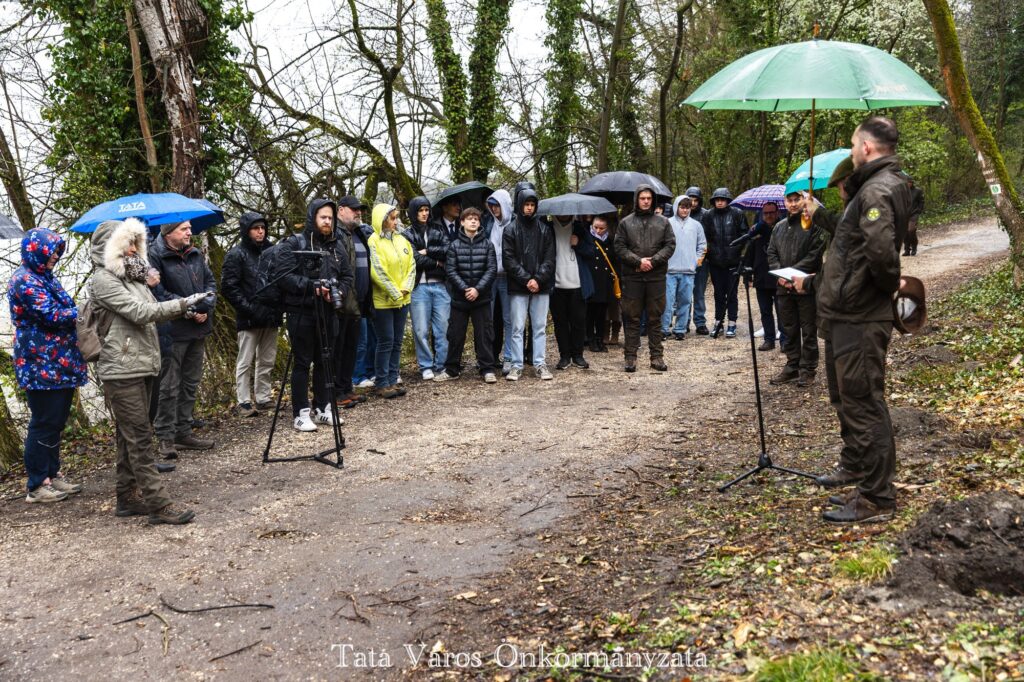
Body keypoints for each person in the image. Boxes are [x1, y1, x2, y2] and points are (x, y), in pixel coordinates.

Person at [795, 116, 912, 524]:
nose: (850, 151)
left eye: (851, 145)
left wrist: (881, 289)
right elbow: (855, 247)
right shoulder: (878, 186)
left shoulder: (877, 189)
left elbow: (881, 255)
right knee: (852, 400)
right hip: (850, 313)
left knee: (864, 403)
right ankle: (862, 475)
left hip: (860, 315)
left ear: (865, 147)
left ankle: (877, 498)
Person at [90, 218, 206, 524]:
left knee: (127, 434)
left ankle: (127, 498)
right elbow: (141, 313)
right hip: (121, 370)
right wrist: (183, 304)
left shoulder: (134, 277)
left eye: (135, 243)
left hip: (141, 363)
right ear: (110, 246)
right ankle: (158, 504)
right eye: (127, 243)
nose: (133, 249)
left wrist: (167, 293)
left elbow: (151, 309)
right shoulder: (103, 280)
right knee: (140, 436)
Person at [7, 228, 88, 503]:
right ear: (36, 250)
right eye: (51, 251)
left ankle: (52, 474)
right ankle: (37, 484)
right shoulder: (24, 280)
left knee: (56, 421)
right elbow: (51, 315)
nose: (55, 256)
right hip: (39, 362)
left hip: (58, 361)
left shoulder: (45, 277)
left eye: (57, 251)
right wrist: (86, 310)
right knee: (44, 421)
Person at [277, 198, 354, 431]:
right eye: (323, 217)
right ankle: (300, 413)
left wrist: (339, 292)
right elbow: (284, 277)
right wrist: (313, 287)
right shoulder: (295, 243)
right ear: (313, 217)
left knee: (325, 361)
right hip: (301, 311)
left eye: (330, 217)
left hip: (329, 312)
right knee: (302, 362)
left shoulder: (337, 246)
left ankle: (323, 408)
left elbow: (347, 276)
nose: (327, 221)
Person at [148, 220, 216, 459]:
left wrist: (206, 306)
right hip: (172, 331)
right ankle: (165, 436)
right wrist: (189, 309)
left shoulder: (194, 252)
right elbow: (158, 294)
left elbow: (210, 283)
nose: (189, 232)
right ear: (168, 233)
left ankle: (183, 432)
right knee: (168, 386)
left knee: (190, 383)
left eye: (189, 228)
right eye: (184, 229)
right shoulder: (154, 256)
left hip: (198, 328)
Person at [221, 212, 282, 417]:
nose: (260, 231)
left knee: (267, 360)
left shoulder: (273, 251)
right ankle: (244, 401)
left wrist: (277, 307)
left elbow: (280, 280)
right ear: (247, 231)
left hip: (271, 314)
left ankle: (263, 397)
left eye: (263, 228)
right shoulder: (236, 254)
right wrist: (249, 308)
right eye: (256, 228)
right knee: (245, 361)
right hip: (248, 317)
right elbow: (229, 287)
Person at [767, 193, 828, 387]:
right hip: (783, 287)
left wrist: (793, 275)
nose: (793, 204)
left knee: (808, 329)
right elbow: (771, 252)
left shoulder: (815, 225)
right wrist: (780, 275)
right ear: (784, 202)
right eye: (789, 200)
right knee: (788, 328)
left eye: (796, 200)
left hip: (806, 286)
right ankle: (792, 364)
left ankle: (808, 369)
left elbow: (815, 254)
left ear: (804, 201)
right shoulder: (779, 227)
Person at [614, 184, 675, 372]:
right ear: (637, 200)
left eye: (649, 198)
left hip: (656, 276)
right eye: (642, 198)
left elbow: (670, 245)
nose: (646, 201)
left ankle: (657, 357)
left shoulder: (663, 222)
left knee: (655, 318)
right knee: (631, 317)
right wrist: (638, 261)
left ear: (653, 200)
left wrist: (653, 261)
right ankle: (630, 357)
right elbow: (619, 247)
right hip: (633, 276)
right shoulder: (625, 223)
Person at [503, 188, 555, 381]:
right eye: (526, 204)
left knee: (539, 327)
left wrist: (538, 279)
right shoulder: (510, 229)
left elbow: (550, 259)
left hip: (541, 286)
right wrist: (527, 280)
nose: (529, 208)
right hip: (519, 287)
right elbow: (508, 260)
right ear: (520, 205)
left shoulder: (545, 229)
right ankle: (516, 365)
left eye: (532, 205)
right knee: (517, 327)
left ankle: (540, 363)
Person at [444, 207, 498, 381]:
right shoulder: (454, 246)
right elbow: (451, 270)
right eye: (469, 218)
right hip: (460, 299)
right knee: (455, 335)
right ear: (462, 222)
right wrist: (465, 289)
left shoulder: (488, 245)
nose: (473, 221)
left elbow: (491, 269)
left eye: (476, 219)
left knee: (484, 335)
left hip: (481, 299)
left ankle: (487, 369)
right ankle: (452, 369)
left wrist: (477, 289)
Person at [369, 203, 416, 398]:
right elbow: (377, 271)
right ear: (382, 220)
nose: (396, 221)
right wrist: (395, 292)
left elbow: (411, 265)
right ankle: (382, 382)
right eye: (392, 218)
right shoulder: (373, 241)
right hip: (384, 301)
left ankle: (393, 378)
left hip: (403, 299)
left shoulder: (402, 240)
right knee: (386, 341)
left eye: (397, 217)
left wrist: (406, 288)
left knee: (397, 341)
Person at [403, 196, 451, 382]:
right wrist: (436, 262)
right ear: (413, 213)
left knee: (443, 328)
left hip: (440, 285)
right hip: (418, 287)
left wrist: (428, 251)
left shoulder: (438, 229)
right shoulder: (406, 234)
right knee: (421, 330)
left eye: (426, 210)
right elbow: (413, 258)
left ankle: (442, 365)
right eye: (420, 210)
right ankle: (426, 366)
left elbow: (447, 251)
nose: (424, 213)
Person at [334, 196, 373, 408]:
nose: (358, 212)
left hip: (359, 301)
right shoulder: (336, 233)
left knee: (352, 347)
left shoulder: (358, 233)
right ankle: (337, 392)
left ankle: (347, 387)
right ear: (341, 210)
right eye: (354, 209)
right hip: (342, 301)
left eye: (360, 209)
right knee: (339, 348)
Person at [549, 214, 595, 370]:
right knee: (560, 322)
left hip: (578, 284)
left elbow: (591, 252)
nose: (564, 215)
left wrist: (578, 244)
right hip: (556, 284)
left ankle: (578, 355)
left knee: (579, 322)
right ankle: (564, 356)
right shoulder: (549, 228)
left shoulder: (580, 228)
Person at [700, 187, 747, 338]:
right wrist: (710, 251)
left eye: (723, 200)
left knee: (732, 294)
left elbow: (745, 234)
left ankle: (732, 323)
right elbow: (703, 237)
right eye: (717, 200)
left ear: (728, 201)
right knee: (718, 294)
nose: (720, 202)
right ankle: (718, 322)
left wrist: (736, 249)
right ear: (713, 201)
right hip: (715, 262)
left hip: (733, 262)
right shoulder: (708, 215)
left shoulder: (737, 213)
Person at [662, 196, 707, 340]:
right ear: (676, 207)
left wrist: (696, 261)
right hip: (669, 271)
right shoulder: (667, 223)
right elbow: (660, 244)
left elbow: (702, 245)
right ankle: (664, 328)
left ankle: (680, 329)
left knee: (685, 301)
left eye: (687, 207)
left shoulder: (696, 225)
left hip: (688, 271)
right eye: (682, 207)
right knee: (667, 302)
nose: (685, 210)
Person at [741, 202, 782, 352]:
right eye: (766, 213)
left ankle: (785, 340)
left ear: (777, 213)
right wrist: (747, 276)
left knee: (782, 311)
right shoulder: (756, 231)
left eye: (772, 212)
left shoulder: (783, 229)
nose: (769, 215)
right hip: (761, 277)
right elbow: (749, 255)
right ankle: (769, 339)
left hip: (779, 277)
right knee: (765, 311)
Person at [485, 190, 515, 374]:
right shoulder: (488, 223)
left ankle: (509, 358)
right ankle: (487, 358)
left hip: (508, 277)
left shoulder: (514, 223)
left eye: (497, 205)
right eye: (491, 206)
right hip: (490, 277)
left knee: (508, 319)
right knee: (487, 319)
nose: (494, 209)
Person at [583, 215, 618, 353]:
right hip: (591, 280)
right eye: (595, 227)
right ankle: (591, 339)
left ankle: (600, 339)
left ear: (607, 228)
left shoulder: (610, 240)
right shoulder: (587, 238)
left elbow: (615, 259)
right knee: (590, 313)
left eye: (601, 228)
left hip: (605, 281)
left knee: (602, 313)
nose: (598, 231)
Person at [684, 186, 710, 335]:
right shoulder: (681, 213)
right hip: (684, 260)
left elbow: (709, 237)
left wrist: (702, 257)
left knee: (699, 293)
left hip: (701, 260)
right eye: (690, 200)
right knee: (684, 293)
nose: (693, 203)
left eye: (696, 200)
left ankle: (700, 322)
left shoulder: (706, 215)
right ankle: (684, 321)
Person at [904, 176, 924, 256]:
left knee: (911, 230)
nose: (908, 184)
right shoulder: (902, 191)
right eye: (907, 182)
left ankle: (914, 247)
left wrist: (919, 210)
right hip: (904, 214)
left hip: (914, 214)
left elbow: (921, 202)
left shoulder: (917, 191)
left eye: (910, 182)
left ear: (912, 183)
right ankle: (907, 250)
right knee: (905, 232)